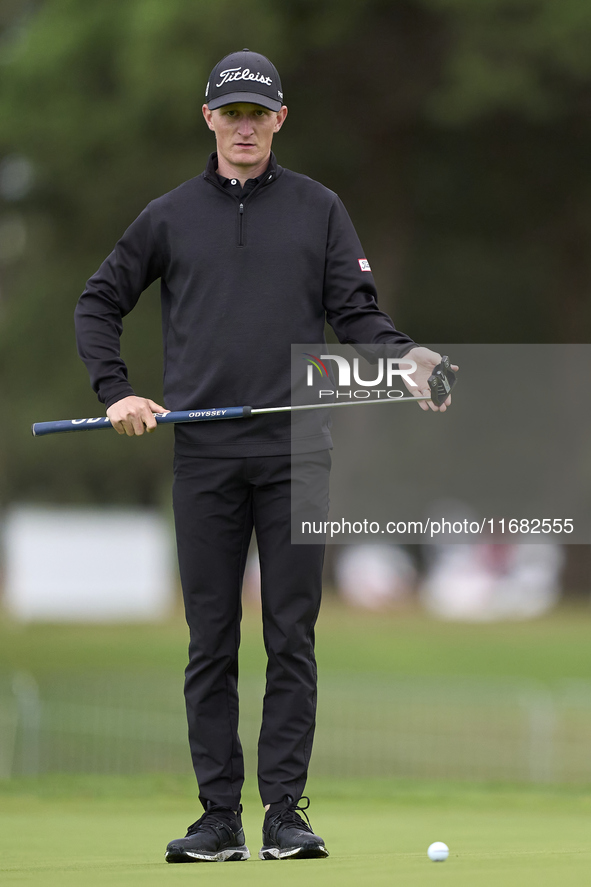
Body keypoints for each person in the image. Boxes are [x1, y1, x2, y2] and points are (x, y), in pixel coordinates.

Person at [74, 48, 453, 863]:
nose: (244, 127)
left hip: (295, 452)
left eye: (258, 114)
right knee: (211, 636)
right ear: (208, 119)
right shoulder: (169, 216)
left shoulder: (319, 210)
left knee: (292, 634)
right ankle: (218, 817)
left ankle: (284, 810)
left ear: (279, 120)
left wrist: (405, 358)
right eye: (230, 113)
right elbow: (99, 301)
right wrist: (117, 392)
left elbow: (356, 315)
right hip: (205, 458)